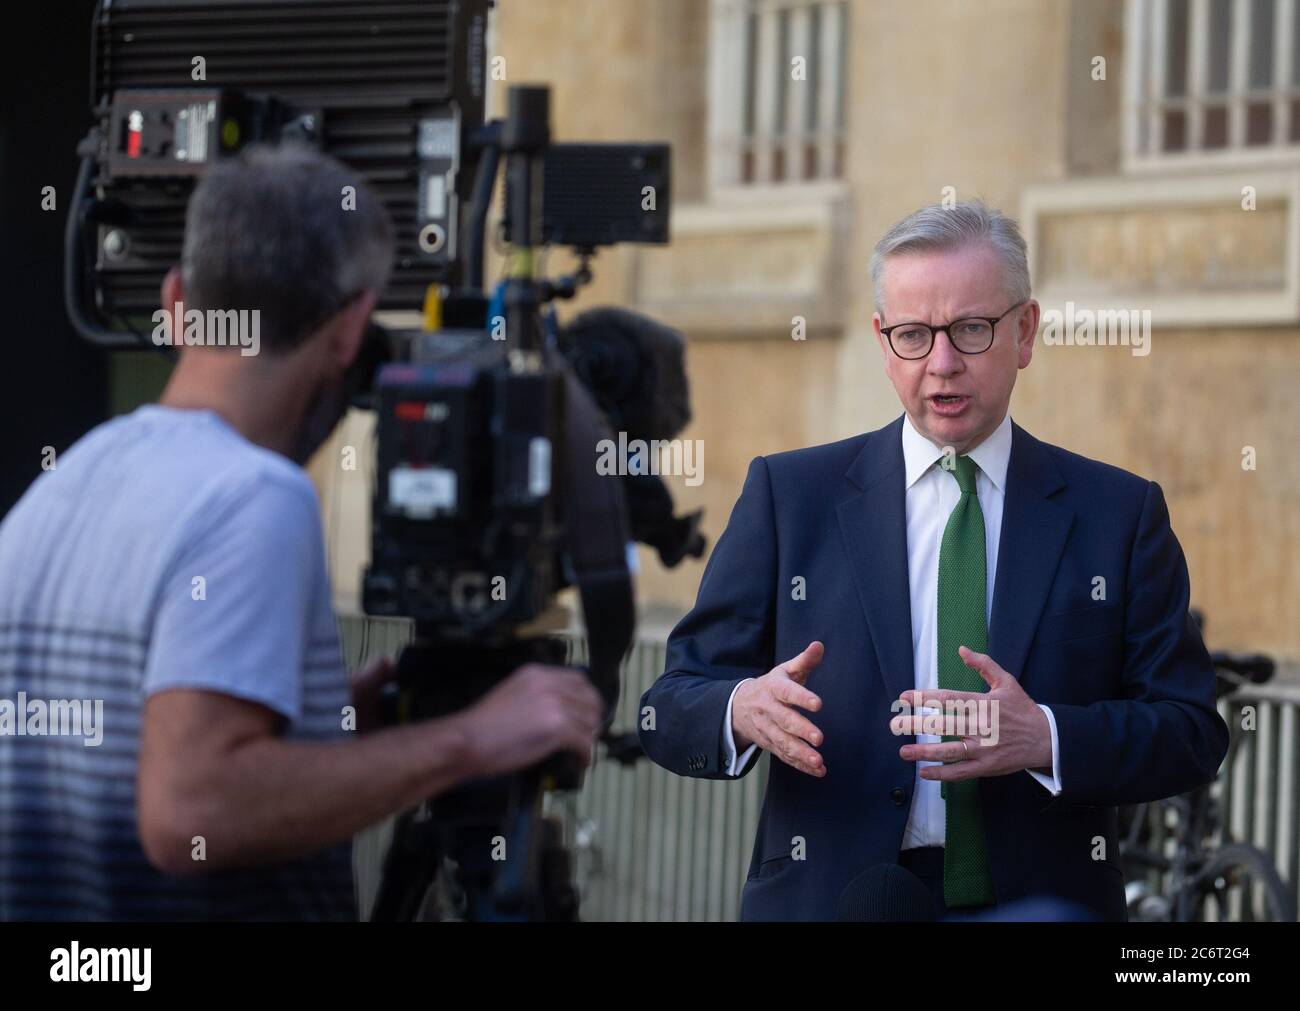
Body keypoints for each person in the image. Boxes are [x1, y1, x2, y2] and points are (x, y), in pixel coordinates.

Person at [0, 144, 601, 920]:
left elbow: (138, 745)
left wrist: (326, 721)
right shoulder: (254, 496)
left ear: (178, 302)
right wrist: (476, 738)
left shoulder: (60, 486)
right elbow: (192, 810)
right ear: (351, 329)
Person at [639, 200, 1228, 921]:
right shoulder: (790, 496)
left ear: (1025, 332)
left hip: (1040, 901)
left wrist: (1045, 736)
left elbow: (1192, 731)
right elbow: (665, 705)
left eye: (971, 329)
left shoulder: (1119, 513)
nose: (942, 364)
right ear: (884, 343)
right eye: (914, 335)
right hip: (833, 902)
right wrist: (739, 709)